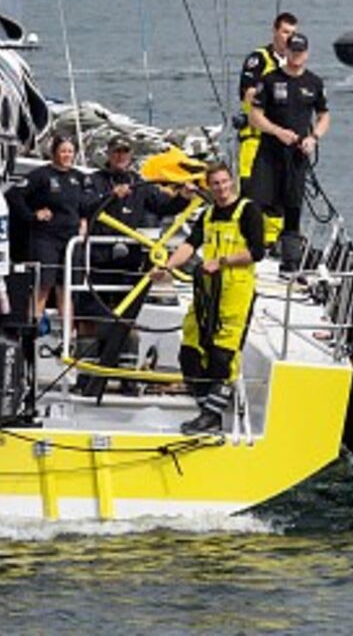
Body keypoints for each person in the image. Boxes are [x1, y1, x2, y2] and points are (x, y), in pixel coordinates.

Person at [79, 134, 196, 398]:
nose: (120, 156)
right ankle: (86, 376)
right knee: (90, 319)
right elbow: (84, 206)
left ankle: (127, 377)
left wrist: (184, 197)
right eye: (116, 152)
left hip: (129, 262)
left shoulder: (140, 184)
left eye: (125, 152)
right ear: (109, 155)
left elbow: (164, 206)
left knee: (128, 318)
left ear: (131, 156)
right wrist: (111, 195)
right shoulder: (94, 181)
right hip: (98, 260)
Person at [155, 162, 265, 435]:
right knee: (190, 353)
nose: (221, 187)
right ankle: (205, 409)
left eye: (225, 182)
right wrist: (167, 267)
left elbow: (257, 252)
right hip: (206, 293)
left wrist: (222, 261)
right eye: (215, 183)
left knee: (222, 356)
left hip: (235, 293)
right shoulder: (207, 215)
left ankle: (211, 416)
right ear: (209, 186)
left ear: (232, 182)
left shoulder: (248, 210)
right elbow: (190, 244)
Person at [247, 33, 329, 238]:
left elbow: (324, 116)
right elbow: (255, 116)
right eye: (293, 51)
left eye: (300, 52)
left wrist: (314, 138)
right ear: (286, 52)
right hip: (269, 153)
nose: (296, 56)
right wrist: (278, 132)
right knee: (256, 203)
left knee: (292, 207)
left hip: (297, 155)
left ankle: (289, 250)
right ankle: (256, 245)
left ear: (306, 54)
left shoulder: (314, 82)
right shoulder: (269, 80)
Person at [11, 135, 97, 324]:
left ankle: (68, 334)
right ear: (54, 153)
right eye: (63, 151)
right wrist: (32, 215)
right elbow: (14, 195)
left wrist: (84, 220)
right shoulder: (41, 175)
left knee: (66, 288)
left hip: (71, 239)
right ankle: (32, 329)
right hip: (46, 238)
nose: (67, 155)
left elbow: (89, 204)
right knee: (43, 285)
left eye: (70, 151)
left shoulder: (80, 177)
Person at [236, 12, 298, 194]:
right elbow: (248, 93)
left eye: (293, 33)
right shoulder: (259, 59)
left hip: (283, 141)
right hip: (256, 139)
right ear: (275, 31)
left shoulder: (293, 63)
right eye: (285, 32)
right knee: (250, 190)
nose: (289, 37)